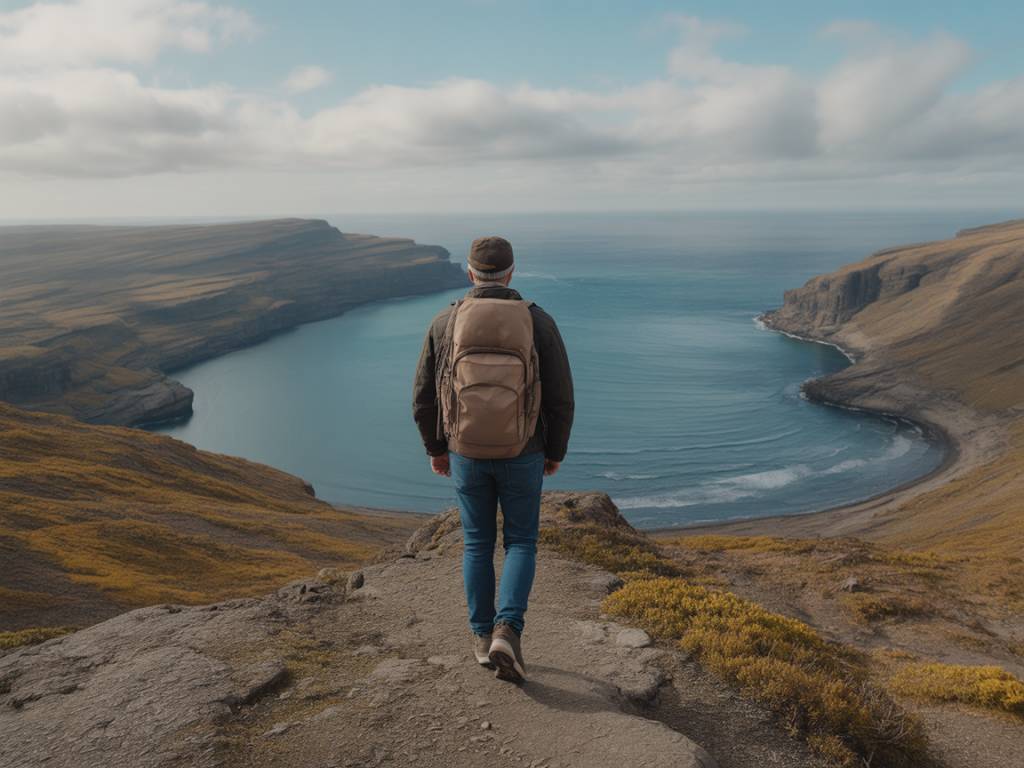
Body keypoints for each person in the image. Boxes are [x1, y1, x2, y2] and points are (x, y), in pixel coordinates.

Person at [412, 236, 574, 684]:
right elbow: (561, 397)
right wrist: (554, 451)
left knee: (478, 543)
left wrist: (436, 448)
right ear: (511, 272)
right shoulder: (537, 321)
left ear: (469, 274)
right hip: (525, 450)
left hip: (465, 451)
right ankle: (509, 629)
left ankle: (483, 638)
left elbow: (423, 396)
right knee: (521, 541)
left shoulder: (446, 321)